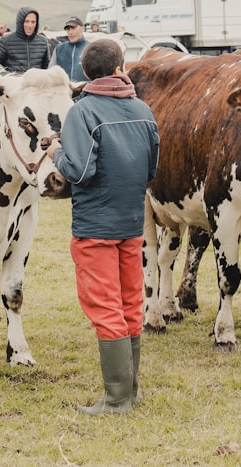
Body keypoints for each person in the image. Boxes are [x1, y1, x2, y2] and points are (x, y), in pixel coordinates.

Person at [47, 39, 159, 415]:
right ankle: (131, 391)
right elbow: (151, 170)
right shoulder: (144, 110)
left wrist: (56, 151)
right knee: (131, 303)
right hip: (132, 224)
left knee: (105, 306)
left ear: (87, 72)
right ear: (119, 68)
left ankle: (115, 400)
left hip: (95, 226)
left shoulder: (83, 112)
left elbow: (79, 170)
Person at [0, 7, 50, 72]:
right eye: (26, 21)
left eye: (33, 22)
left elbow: (47, 69)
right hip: (12, 81)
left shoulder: (43, 42)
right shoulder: (5, 41)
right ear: (20, 22)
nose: (30, 25)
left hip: (36, 81)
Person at [54, 17, 90, 83]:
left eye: (73, 28)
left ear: (82, 29)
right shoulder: (59, 49)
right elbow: (51, 72)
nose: (70, 32)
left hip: (85, 91)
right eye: (68, 29)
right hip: (64, 91)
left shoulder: (91, 48)